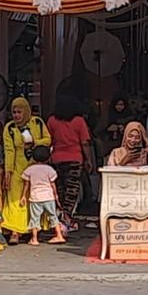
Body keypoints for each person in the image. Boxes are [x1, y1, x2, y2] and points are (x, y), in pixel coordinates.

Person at [2, 97, 52, 244]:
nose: (16, 115)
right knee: (15, 198)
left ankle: (33, 230)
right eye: (14, 112)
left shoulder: (37, 123)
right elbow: (9, 151)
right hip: (18, 166)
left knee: (34, 197)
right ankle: (15, 231)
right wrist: (8, 172)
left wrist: (34, 143)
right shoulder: (10, 128)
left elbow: (48, 140)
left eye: (19, 112)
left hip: (36, 165)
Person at [46, 95, 94, 230]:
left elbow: (48, 140)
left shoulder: (52, 120)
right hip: (75, 159)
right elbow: (85, 142)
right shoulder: (79, 121)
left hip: (56, 159)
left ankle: (60, 218)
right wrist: (88, 160)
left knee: (59, 189)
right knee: (72, 190)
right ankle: (67, 217)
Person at [21, 145, 66, 246]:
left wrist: (23, 196)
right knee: (53, 216)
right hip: (48, 197)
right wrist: (56, 195)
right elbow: (53, 184)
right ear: (48, 157)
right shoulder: (49, 169)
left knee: (35, 218)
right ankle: (59, 235)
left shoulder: (30, 169)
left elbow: (26, 184)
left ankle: (34, 239)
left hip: (35, 197)